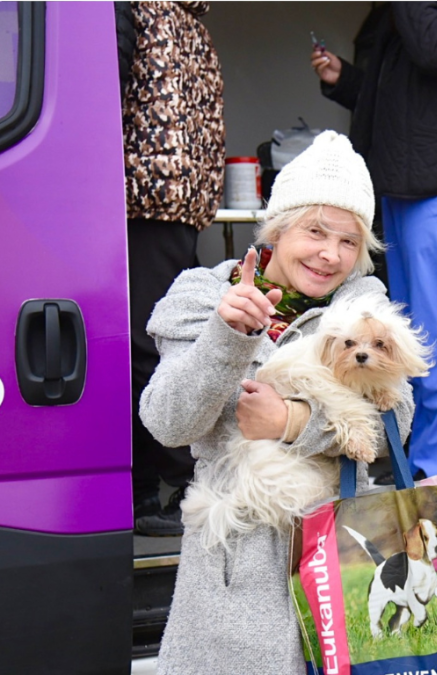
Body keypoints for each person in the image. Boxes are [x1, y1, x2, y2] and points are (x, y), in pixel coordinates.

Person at [140, 131, 413, 674]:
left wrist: (292, 421)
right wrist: (227, 336)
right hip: (231, 563)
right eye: (316, 231)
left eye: (349, 242)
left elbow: (394, 429)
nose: (330, 255)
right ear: (278, 226)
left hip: (341, 555)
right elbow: (167, 423)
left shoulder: (364, 306)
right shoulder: (202, 294)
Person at [311, 2, 437, 480]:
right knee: (406, 335)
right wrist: (345, 79)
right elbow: (399, 102)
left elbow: (436, 52)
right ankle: (414, 464)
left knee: (434, 334)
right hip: (405, 187)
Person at [118, 1, 226, 536]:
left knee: (145, 345)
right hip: (182, 202)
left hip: (140, 196)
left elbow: (98, 96)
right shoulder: (192, 21)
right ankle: (172, 482)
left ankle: (172, 485)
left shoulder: (139, 9)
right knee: (170, 340)